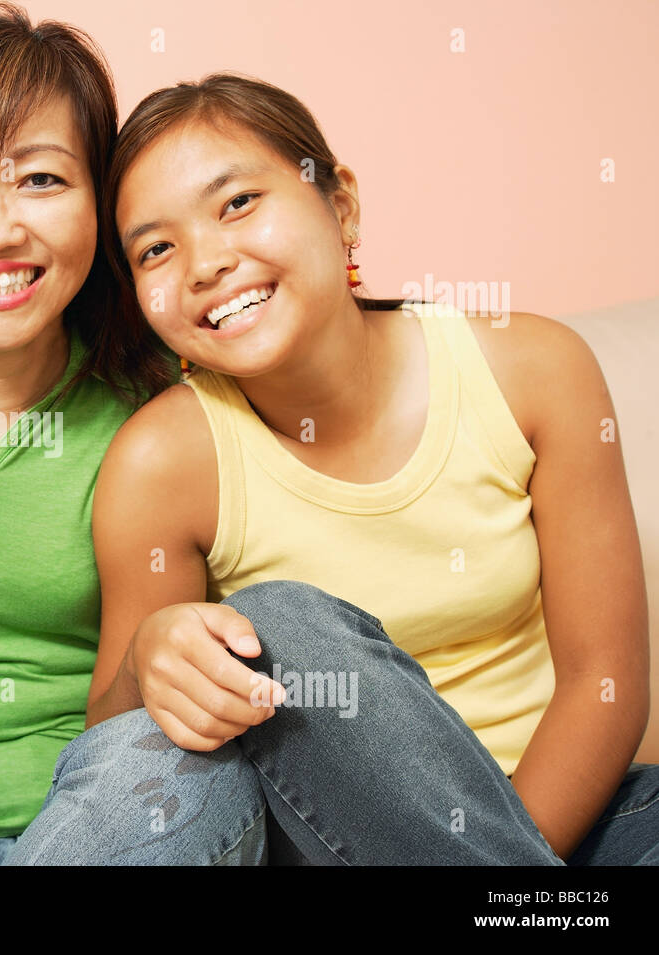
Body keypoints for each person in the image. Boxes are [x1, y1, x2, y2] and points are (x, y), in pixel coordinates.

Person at [0, 5, 564, 865]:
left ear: (100, 208)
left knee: (173, 765)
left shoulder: (176, 395)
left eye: (40, 179)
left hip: (120, 817)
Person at [91, 71, 657, 864]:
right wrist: (147, 661)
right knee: (282, 624)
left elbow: (607, 682)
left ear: (341, 202)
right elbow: (114, 768)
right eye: (156, 247)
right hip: (329, 841)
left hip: (569, 824)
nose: (206, 261)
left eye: (238, 204)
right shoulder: (159, 464)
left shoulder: (537, 371)